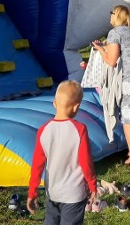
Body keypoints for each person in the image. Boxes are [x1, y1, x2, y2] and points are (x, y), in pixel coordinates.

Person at [91, 5, 130, 165]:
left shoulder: (115, 32)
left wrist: (99, 49)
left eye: (111, 13)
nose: (110, 16)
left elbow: (111, 61)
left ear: (117, 15)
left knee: (128, 117)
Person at [27, 81, 97, 225]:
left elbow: (37, 166)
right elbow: (86, 161)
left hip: (53, 193)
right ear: (76, 106)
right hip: (74, 194)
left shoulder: (43, 130)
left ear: (54, 103)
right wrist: (92, 185)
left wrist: (32, 192)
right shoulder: (79, 129)